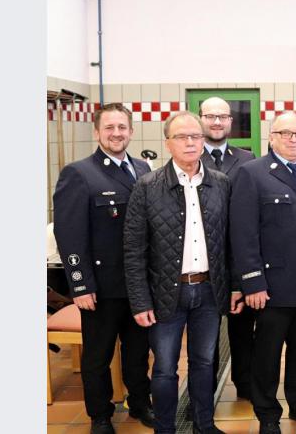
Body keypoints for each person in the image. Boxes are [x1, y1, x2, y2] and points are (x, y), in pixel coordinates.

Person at [124, 111, 242, 434]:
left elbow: (232, 242)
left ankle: (205, 424)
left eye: (196, 136)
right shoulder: (147, 187)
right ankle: (166, 429)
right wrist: (139, 301)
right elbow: (134, 250)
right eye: (182, 136)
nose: (190, 142)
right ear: (167, 143)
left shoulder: (221, 184)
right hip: (165, 293)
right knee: (164, 369)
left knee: (204, 364)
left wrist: (234, 286)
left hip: (208, 291)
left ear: (204, 141)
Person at [53, 103, 154, 434]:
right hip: (101, 287)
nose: (116, 133)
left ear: (131, 131)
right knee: (97, 356)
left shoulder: (143, 169)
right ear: (97, 132)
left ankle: (140, 402)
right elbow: (69, 236)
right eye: (109, 128)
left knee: (139, 351)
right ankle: (100, 415)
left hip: (139, 285)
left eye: (122, 127)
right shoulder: (78, 173)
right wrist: (80, 287)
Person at [229, 112, 296, 434]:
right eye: (285, 133)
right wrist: (252, 282)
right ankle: (268, 414)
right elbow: (243, 234)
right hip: (272, 287)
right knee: (267, 354)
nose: (293, 139)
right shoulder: (252, 173)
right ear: (271, 137)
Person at [198, 96, 256, 401]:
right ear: (201, 120)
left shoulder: (247, 158)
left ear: (231, 122)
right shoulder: (191, 157)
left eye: (222, 117)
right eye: (210, 116)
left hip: (238, 257)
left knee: (242, 328)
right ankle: (204, 392)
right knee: (205, 333)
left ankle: (244, 385)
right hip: (202, 259)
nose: (217, 122)